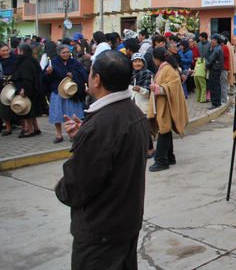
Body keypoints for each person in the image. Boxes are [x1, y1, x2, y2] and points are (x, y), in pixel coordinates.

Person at [55, 51, 149, 269]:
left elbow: (78, 185)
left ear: (96, 79)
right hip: (125, 222)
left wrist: (61, 188)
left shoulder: (103, 125)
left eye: (90, 73)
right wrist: (83, 135)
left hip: (101, 231)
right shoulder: (133, 113)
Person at [147, 47, 189, 172]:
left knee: (164, 130)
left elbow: (174, 84)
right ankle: (169, 157)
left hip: (166, 105)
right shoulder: (166, 67)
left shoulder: (167, 69)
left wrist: (159, 88)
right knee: (165, 129)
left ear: (155, 59)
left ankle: (161, 160)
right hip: (165, 104)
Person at [41, 44, 88, 143]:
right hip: (58, 91)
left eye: (68, 52)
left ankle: (73, 133)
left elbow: (82, 72)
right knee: (57, 113)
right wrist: (49, 73)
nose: (66, 54)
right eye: (64, 53)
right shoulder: (53, 62)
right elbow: (45, 78)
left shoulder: (74, 62)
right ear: (59, 53)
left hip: (71, 92)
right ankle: (59, 135)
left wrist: (73, 74)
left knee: (72, 114)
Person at [12, 43, 45, 137]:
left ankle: (30, 130)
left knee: (27, 110)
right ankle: (36, 128)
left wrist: (24, 89)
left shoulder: (25, 61)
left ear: (22, 51)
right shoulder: (32, 60)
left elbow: (27, 77)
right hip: (34, 89)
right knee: (32, 110)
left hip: (27, 89)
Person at [130, 53, 154, 157]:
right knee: (135, 130)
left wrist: (140, 89)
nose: (137, 63)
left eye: (139, 61)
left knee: (144, 129)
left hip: (144, 105)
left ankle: (150, 149)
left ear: (143, 63)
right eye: (135, 61)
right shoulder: (130, 75)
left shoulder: (148, 74)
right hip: (133, 105)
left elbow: (149, 92)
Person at [0, 42, 18, 136]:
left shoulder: (15, 58)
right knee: (4, 107)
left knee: (18, 104)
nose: (6, 52)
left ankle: (24, 126)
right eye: (3, 51)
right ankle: (8, 127)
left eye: (7, 50)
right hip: (2, 86)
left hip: (14, 84)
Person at [206, 34, 224, 108]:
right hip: (217, 69)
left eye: (212, 39)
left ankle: (215, 103)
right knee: (216, 86)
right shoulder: (218, 48)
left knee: (214, 86)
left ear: (215, 40)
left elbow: (211, 59)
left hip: (214, 69)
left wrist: (206, 65)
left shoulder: (216, 49)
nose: (211, 41)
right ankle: (217, 102)